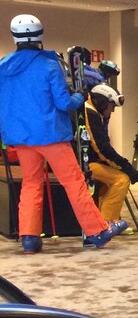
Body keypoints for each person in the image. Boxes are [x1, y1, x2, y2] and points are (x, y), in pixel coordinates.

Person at [0, 14, 120, 252]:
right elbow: (64, 104)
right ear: (40, 36)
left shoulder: (3, 66)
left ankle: (29, 237)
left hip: (21, 138)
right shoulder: (49, 64)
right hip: (51, 134)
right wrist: (80, 96)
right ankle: (97, 230)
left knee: (31, 184)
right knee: (73, 182)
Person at [84, 84, 138, 227]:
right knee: (121, 180)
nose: (113, 110)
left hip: (87, 161)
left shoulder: (92, 112)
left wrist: (119, 164)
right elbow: (102, 148)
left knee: (109, 181)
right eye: (111, 106)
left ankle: (102, 221)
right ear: (102, 104)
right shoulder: (90, 114)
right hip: (82, 164)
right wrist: (125, 167)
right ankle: (108, 223)